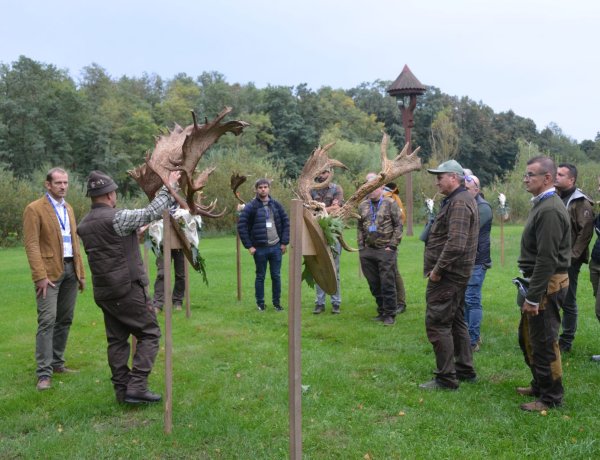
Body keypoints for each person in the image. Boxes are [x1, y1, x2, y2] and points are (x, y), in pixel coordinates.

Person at [77, 169, 181, 404]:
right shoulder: (116, 217)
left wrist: (135, 233)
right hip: (127, 289)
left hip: (104, 292)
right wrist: (170, 186)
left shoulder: (84, 224)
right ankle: (137, 385)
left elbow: (110, 244)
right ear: (111, 194)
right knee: (150, 333)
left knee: (116, 340)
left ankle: (122, 390)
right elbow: (152, 212)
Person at [23, 167, 86, 391]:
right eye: (58, 183)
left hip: (70, 270)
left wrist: (81, 273)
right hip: (48, 274)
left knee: (65, 319)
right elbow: (31, 245)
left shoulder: (68, 208)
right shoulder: (34, 209)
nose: (63, 186)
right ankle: (43, 373)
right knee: (47, 320)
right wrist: (39, 276)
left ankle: (57, 363)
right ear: (47, 185)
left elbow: (74, 243)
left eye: (66, 183)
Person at [516, 156, 570, 412]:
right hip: (540, 283)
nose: (526, 179)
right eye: (525, 174)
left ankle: (550, 397)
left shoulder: (549, 209)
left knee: (546, 342)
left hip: (548, 285)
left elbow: (547, 259)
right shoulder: (542, 204)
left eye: (530, 175)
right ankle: (540, 384)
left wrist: (534, 297)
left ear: (547, 178)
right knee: (530, 338)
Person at [420, 160, 478, 390]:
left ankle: (446, 378)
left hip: (448, 276)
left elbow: (456, 243)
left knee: (437, 323)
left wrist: (437, 271)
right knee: (456, 321)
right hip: (456, 275)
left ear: (453, 177)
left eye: (440, 177)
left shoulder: (460, 203)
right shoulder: (459, 200)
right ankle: (464, 369)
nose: (437, 181)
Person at [554, 163, 594, 353]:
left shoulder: (581, 202)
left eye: (561, 174)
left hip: (569, 260)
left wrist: (572, 257)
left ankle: (566, 341)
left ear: (571, 180)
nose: (556, 176)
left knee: (567, 299)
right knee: (551, 296)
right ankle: (551, 336)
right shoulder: (554, 197)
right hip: (551, 257)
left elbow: (585, 233)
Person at [237, 178, 290, 312]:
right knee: (260, 276)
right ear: (256, 189)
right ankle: (260, 304)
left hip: (276, 247)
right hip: (259, 249)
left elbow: (286, 223)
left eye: (265, 187)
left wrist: (284, 243)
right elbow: (241, 226)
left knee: (276, 276)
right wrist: (249, 246)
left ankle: (277, 304)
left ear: (269, 189)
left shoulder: (276, 205)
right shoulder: (251, 206)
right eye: (260, 187)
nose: (263, 189)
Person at [357, 173, 402, 326]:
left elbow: (398, 225)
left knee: (387, 282)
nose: (371, 191)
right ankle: (381, 310)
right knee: (374, 283)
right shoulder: (362, 205)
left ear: (381, 187)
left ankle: (390, 314)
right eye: (368, 188)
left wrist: (393, 245)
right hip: (368, 251)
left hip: (386, 249)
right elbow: (359, 227)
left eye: (374, 187)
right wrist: (361, 247)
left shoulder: (390, 203)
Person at [463, 174, 492, 352]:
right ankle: (467, 335)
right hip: (465, 260)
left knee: (472, 299)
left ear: (476, 190)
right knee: (465, 299)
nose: (464, 192)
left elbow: (466, 228)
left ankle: (473, 340)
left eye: (467, 189)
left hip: (477, 260)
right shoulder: (468, 204)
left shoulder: (483, 207)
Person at [310, 167, 344, 314]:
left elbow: (337, 208)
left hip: (333, 233)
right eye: (320, 172)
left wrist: (321, 208)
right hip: (316, 233)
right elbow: (308, 209)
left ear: (330, 173)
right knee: (319, 268)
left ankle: (336, 302)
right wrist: (323, 208)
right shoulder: (311, 190)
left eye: (325, 172)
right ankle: (320, 302)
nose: (322, 175)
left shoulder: (337, 189)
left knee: (334, 268)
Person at [383, 182, 407, 314]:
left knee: (394, 271)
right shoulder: (372, 198)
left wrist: (393, 242)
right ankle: (388, 302)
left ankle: (401, 302)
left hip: (390, 242)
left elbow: (400, 220)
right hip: (377, 242)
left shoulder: (392, 197)